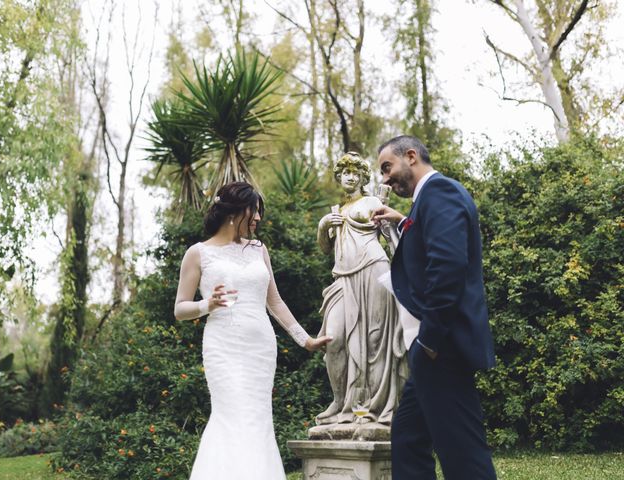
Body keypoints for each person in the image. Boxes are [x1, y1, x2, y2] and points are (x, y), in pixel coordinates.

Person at [174, 182, 332, 480]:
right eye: (254, 210)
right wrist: (206, 304)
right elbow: (180, 308)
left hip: (259, 348)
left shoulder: (259, 249)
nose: (258, 217)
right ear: (235, 211)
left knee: (257, 421)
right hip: (223, 346)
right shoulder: (198, 253)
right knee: (232, 417)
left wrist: (305, 340)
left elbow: (275, 301)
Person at [372, 136, 496, 479]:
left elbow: (448, 267)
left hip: (440, 347)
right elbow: (428, 244)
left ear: (411, 156)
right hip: (430, 349)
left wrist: (429, 340)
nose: (385, 179)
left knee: (463, 453)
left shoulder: (439, 192)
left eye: (387, 167)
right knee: (409, 438)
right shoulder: (427, 200)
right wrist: (402, 223)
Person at [316, 151, 407, 429]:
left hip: (373, 271)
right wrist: (322, 227)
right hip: (343, 280)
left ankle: (371, 407)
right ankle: (340, 399)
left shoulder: (373, 201)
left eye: (356, 173)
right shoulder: (335, 211)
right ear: (339, 177)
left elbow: (391, 234)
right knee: (334, 339)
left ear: (363, 178)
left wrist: (387, 220)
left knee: (374, 340)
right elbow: (325, 248)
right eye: (346, 172)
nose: (351, 177)